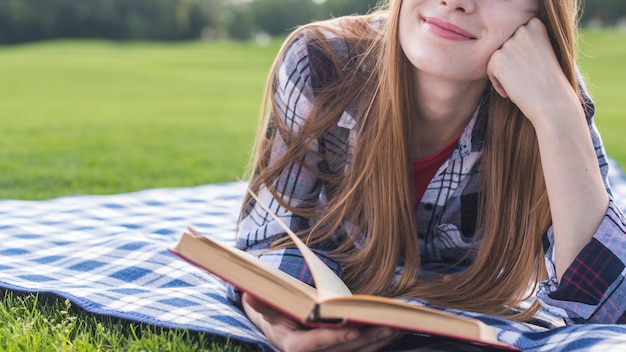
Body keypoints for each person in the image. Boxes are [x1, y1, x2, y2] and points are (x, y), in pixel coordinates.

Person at [231, 0, 626, 350]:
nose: (454, 2)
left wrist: (557, 113)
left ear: (539, 14)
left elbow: (610, 306)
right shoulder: (323, 62)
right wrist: (277, 319)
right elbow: (268, 241)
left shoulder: (547, 88)